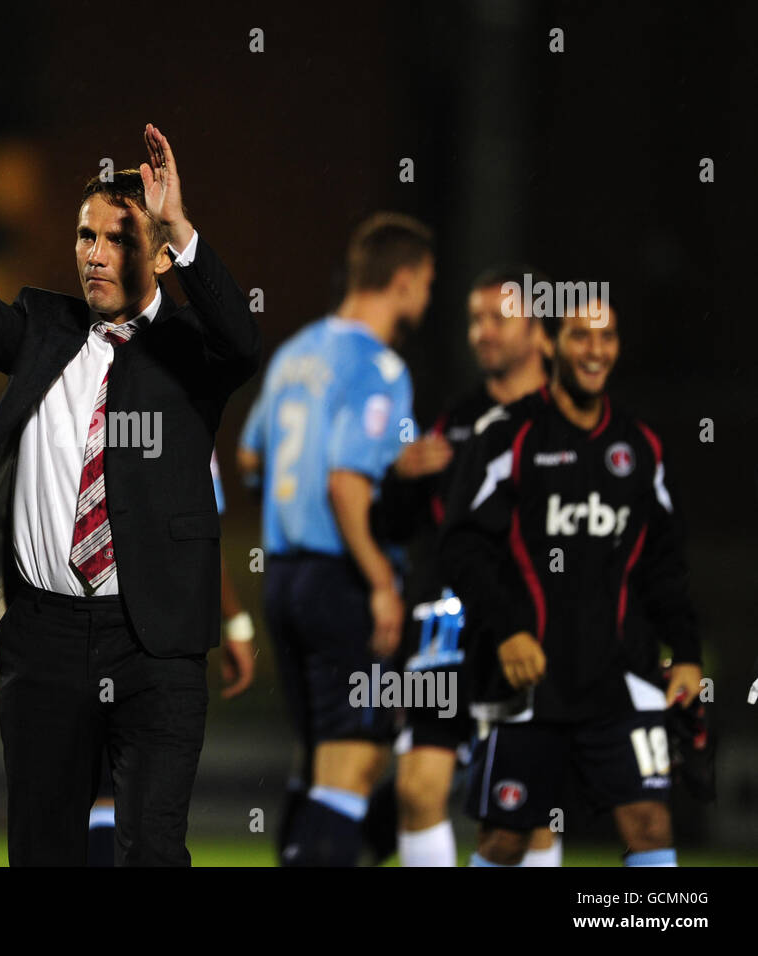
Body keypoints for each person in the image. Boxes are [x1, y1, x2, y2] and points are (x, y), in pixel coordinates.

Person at [0, 100, 260, 865]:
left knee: (153, 850)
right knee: (42, 850)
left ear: (160, 254)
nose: (94, 254)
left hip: (154, 640)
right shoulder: (44, 326)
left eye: (118, 239)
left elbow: (243, 338)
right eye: (85, 236)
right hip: (45, 637)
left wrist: (182, 225)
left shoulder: (192, 353)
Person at [441, 295, 701, 867]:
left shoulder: (641, 446)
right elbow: (461, 548)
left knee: (650, 825)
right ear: (552, 344)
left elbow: (665, 563)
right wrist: (508, 630)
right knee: (506, 840)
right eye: (581, 336)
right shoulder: (508, 435)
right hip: (530, 682)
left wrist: (685, 651)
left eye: (606, 338)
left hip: (622, 676)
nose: (596, 350)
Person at [238, 213, 434, 866]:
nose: (426, 300)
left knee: (321, 761)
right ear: (403, 281)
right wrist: (381, 581)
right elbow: (347, 486)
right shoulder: (379, 366)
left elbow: (250, 458)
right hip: (339, 577)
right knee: (354, 766)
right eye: (426, 283)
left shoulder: (298, 351)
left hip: (286, 580)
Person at [0, 451, 256, 865]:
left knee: (143, 809)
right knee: (66, 806)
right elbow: (5, 499)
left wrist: (235, 621)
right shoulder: (47, 392)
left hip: (146, 628)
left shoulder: (175, 405)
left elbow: (198, 525)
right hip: (56, 619)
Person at [370, 266, 560, 866]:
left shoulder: (564, 423)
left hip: (527, 627)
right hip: (444, 629)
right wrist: (400, 480)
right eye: (475, 320)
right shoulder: (453, 421)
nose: (482, 332)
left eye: (498, 319)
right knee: (418, 788)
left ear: (540, 333)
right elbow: (399, 526)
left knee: (525, 814)